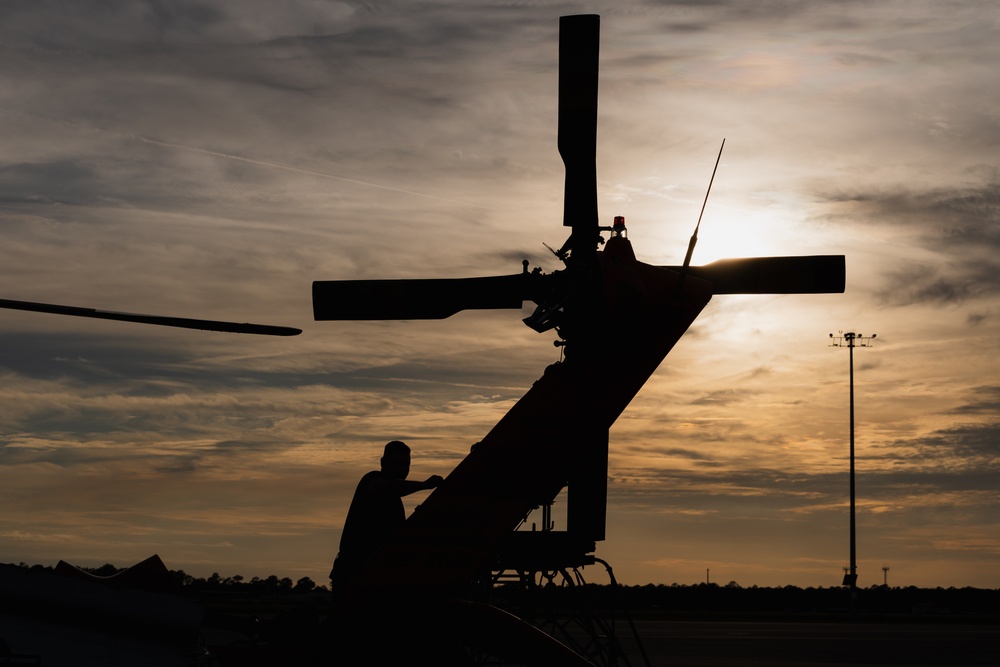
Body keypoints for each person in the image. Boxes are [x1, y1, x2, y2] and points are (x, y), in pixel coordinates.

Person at [330, 440, 443, 591]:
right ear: (383, 462)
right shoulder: (371, 480)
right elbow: (385, 487)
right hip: (354, 575)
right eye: (396, 463)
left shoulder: (394, 502)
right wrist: (423, 485)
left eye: (405, 465)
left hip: (377, 579)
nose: (402, 469)